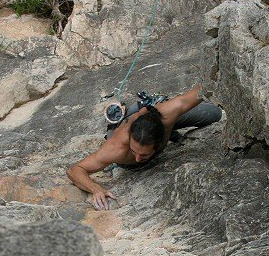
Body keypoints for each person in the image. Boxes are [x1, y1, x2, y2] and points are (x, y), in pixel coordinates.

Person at [66, 84, 222, 210]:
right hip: (127, 127)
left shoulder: (168, 114)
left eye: (144, 155)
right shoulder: (117, 147)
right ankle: (128, 114)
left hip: (159, 122)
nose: (137, 158)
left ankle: (148, 109)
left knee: (214, 114)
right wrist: (95, 188)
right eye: (134, 152)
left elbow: (206, 85)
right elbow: (75, 170)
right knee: (127, 126)